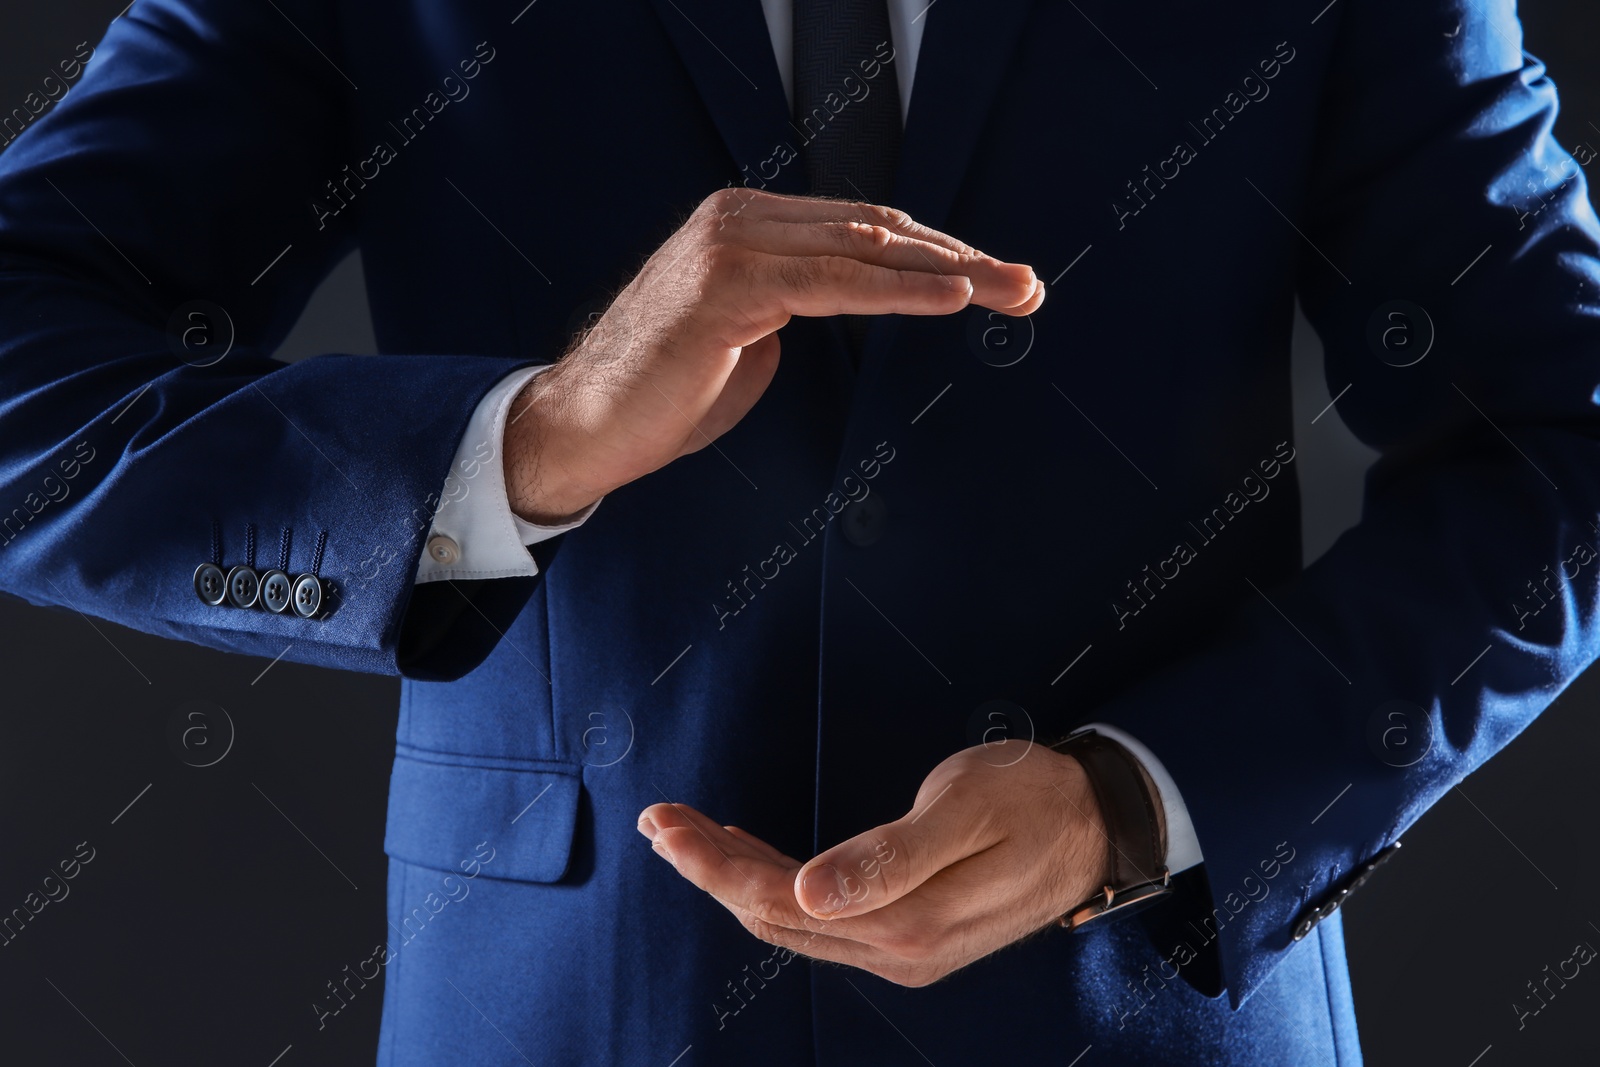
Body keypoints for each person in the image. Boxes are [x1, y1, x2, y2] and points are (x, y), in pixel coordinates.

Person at [1, 0, 1595, 1062]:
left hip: (1148, 1014)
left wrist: (1137, 802)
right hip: (564, 1015)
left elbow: (1568, 442)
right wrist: (534, 434)